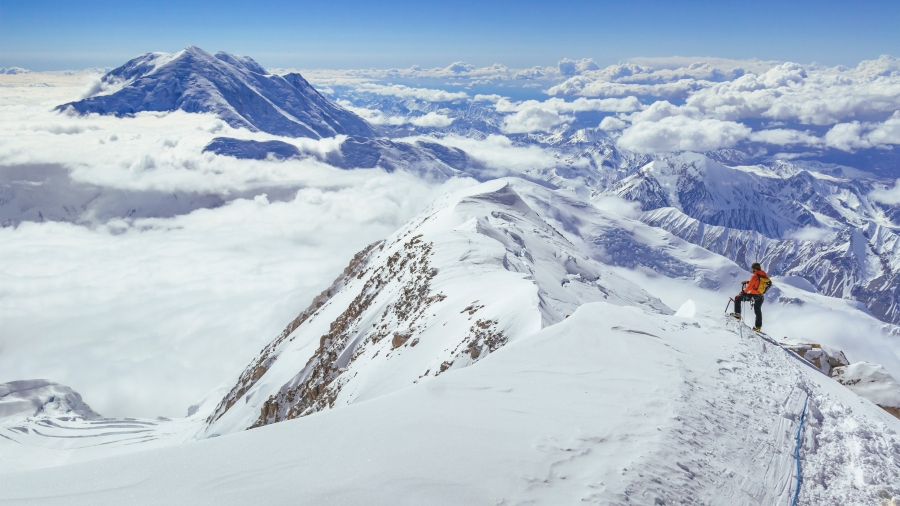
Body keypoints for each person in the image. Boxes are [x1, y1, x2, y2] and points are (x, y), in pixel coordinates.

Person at [731, 262, 768, 331]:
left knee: (738, 298)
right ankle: (758, 327)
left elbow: (750, 286)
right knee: (758, 310)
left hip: (753, 295)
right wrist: (748, 282)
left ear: (753, 269)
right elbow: (757, 283)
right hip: (760, 296)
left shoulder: (754, 276)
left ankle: (737, 314)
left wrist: (743, 292)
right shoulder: (763, 275)